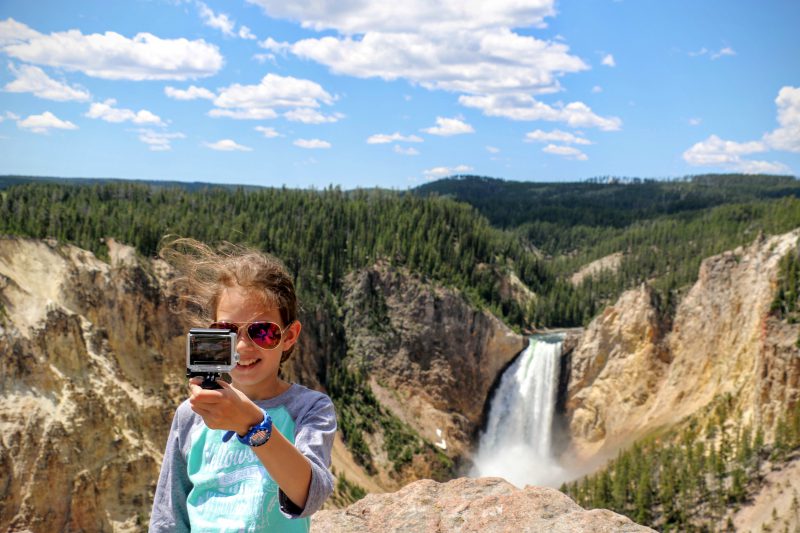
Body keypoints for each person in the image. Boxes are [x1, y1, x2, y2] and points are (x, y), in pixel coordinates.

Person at [149, 238, 336, 532]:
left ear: (289, 336)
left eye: (262, 332)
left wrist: (253, 425)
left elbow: (310, 494)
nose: (243, 346)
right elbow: (169, 515)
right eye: (227, 331)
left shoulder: (309, 409)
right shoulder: (191, 415)